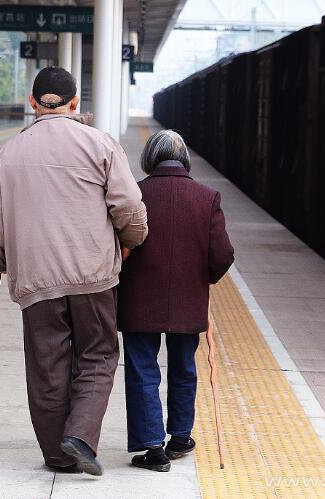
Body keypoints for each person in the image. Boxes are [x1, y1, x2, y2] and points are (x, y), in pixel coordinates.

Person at [0, 67, 148, 476]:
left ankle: (57, 455)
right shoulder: (99, 143)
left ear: (32, 103)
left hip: (36, 278)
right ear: (75, 104)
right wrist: (132, 240)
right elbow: (129, 207)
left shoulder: (10, 152)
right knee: (98, 353)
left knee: (46, 365)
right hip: (93, 273)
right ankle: (81, 437)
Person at [117, 130, 234, 472]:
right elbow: (223, 254)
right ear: (184, 160)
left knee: (142, 371)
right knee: (184, 369)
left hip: (139, 300)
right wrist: (203, 279)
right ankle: (180, 437)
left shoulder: (135, 194)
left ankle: (153, 448)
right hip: (188, 300)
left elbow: (116, 243)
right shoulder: (207, 197)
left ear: (149, 159)